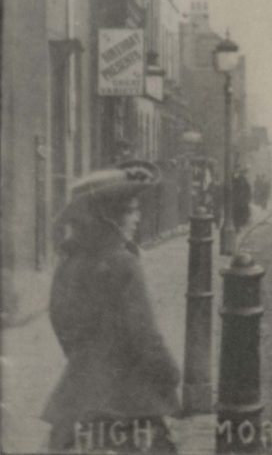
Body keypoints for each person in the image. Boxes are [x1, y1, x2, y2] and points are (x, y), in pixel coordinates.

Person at [45, 161, 180, 453]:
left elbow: (59, 320)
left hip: (78, 395)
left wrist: (86, 359)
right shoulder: (123, 263)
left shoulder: (69, 262)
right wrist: (169, 374)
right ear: (108, 217)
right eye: (129, 211)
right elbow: (145, 337)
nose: (137, 218)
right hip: (128, 400)